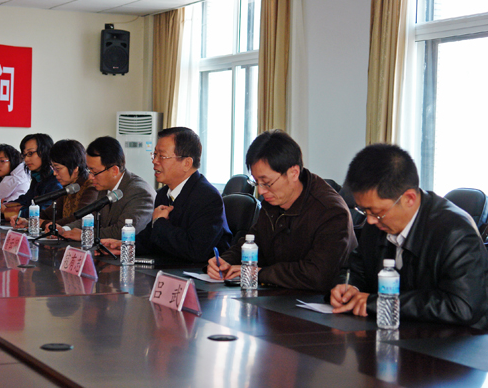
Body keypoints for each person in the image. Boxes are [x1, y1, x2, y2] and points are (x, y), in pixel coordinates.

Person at [330, 144, 488, 329]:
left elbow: (462, 306)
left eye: (376, 212)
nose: (370, 220)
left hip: (456, 340)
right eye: (364, 211)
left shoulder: (455, 232)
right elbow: (356, 268)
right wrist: (349, 287)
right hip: (396, 332)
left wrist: (382, 303)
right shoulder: (378, 222)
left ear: (409, 199)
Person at [207, 130, 356, 292]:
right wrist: (224, 261)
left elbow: (318, 275)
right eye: (257, 183)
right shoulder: (273, 201)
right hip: (278, 294)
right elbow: (254, 242)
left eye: (267, 183)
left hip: (318, 300)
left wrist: (261, 273)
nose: (261, 191)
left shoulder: (330, 211)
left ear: (294, 173)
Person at [103, 127, 232, 263]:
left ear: (187, 163)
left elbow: (195, 250)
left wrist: (160, 222)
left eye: (162, 156)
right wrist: (126, 245)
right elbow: (151, 238)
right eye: (155, 155)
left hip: (197, 273)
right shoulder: (163, 194)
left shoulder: (207, 197)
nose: (155, 161)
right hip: (168, 269)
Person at [57, 136, 155, 240]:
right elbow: (92, 219)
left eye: (94, 172)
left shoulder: (140, 193)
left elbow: (122, 232)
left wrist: (85, 235)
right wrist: (65, 229)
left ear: (114, 170)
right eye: (89, 170)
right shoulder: (104, 186)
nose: (90, 177)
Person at [11, 139, 98, 230]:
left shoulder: (90, 187)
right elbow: (49, 214)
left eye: (58, 168)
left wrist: (42, 223)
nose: (55, 173)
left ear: (75, 168)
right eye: (53, 168)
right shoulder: (68, 188)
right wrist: (27, 221)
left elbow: (77, 220)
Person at [4, 133, 62, 218]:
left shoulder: (56, 182)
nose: (26, 159)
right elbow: (26, 200)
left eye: (30, 153)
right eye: (24, 155)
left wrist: (10, 211)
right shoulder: (37, 178)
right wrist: (4, 205)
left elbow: (44, 211)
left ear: (45, 152)